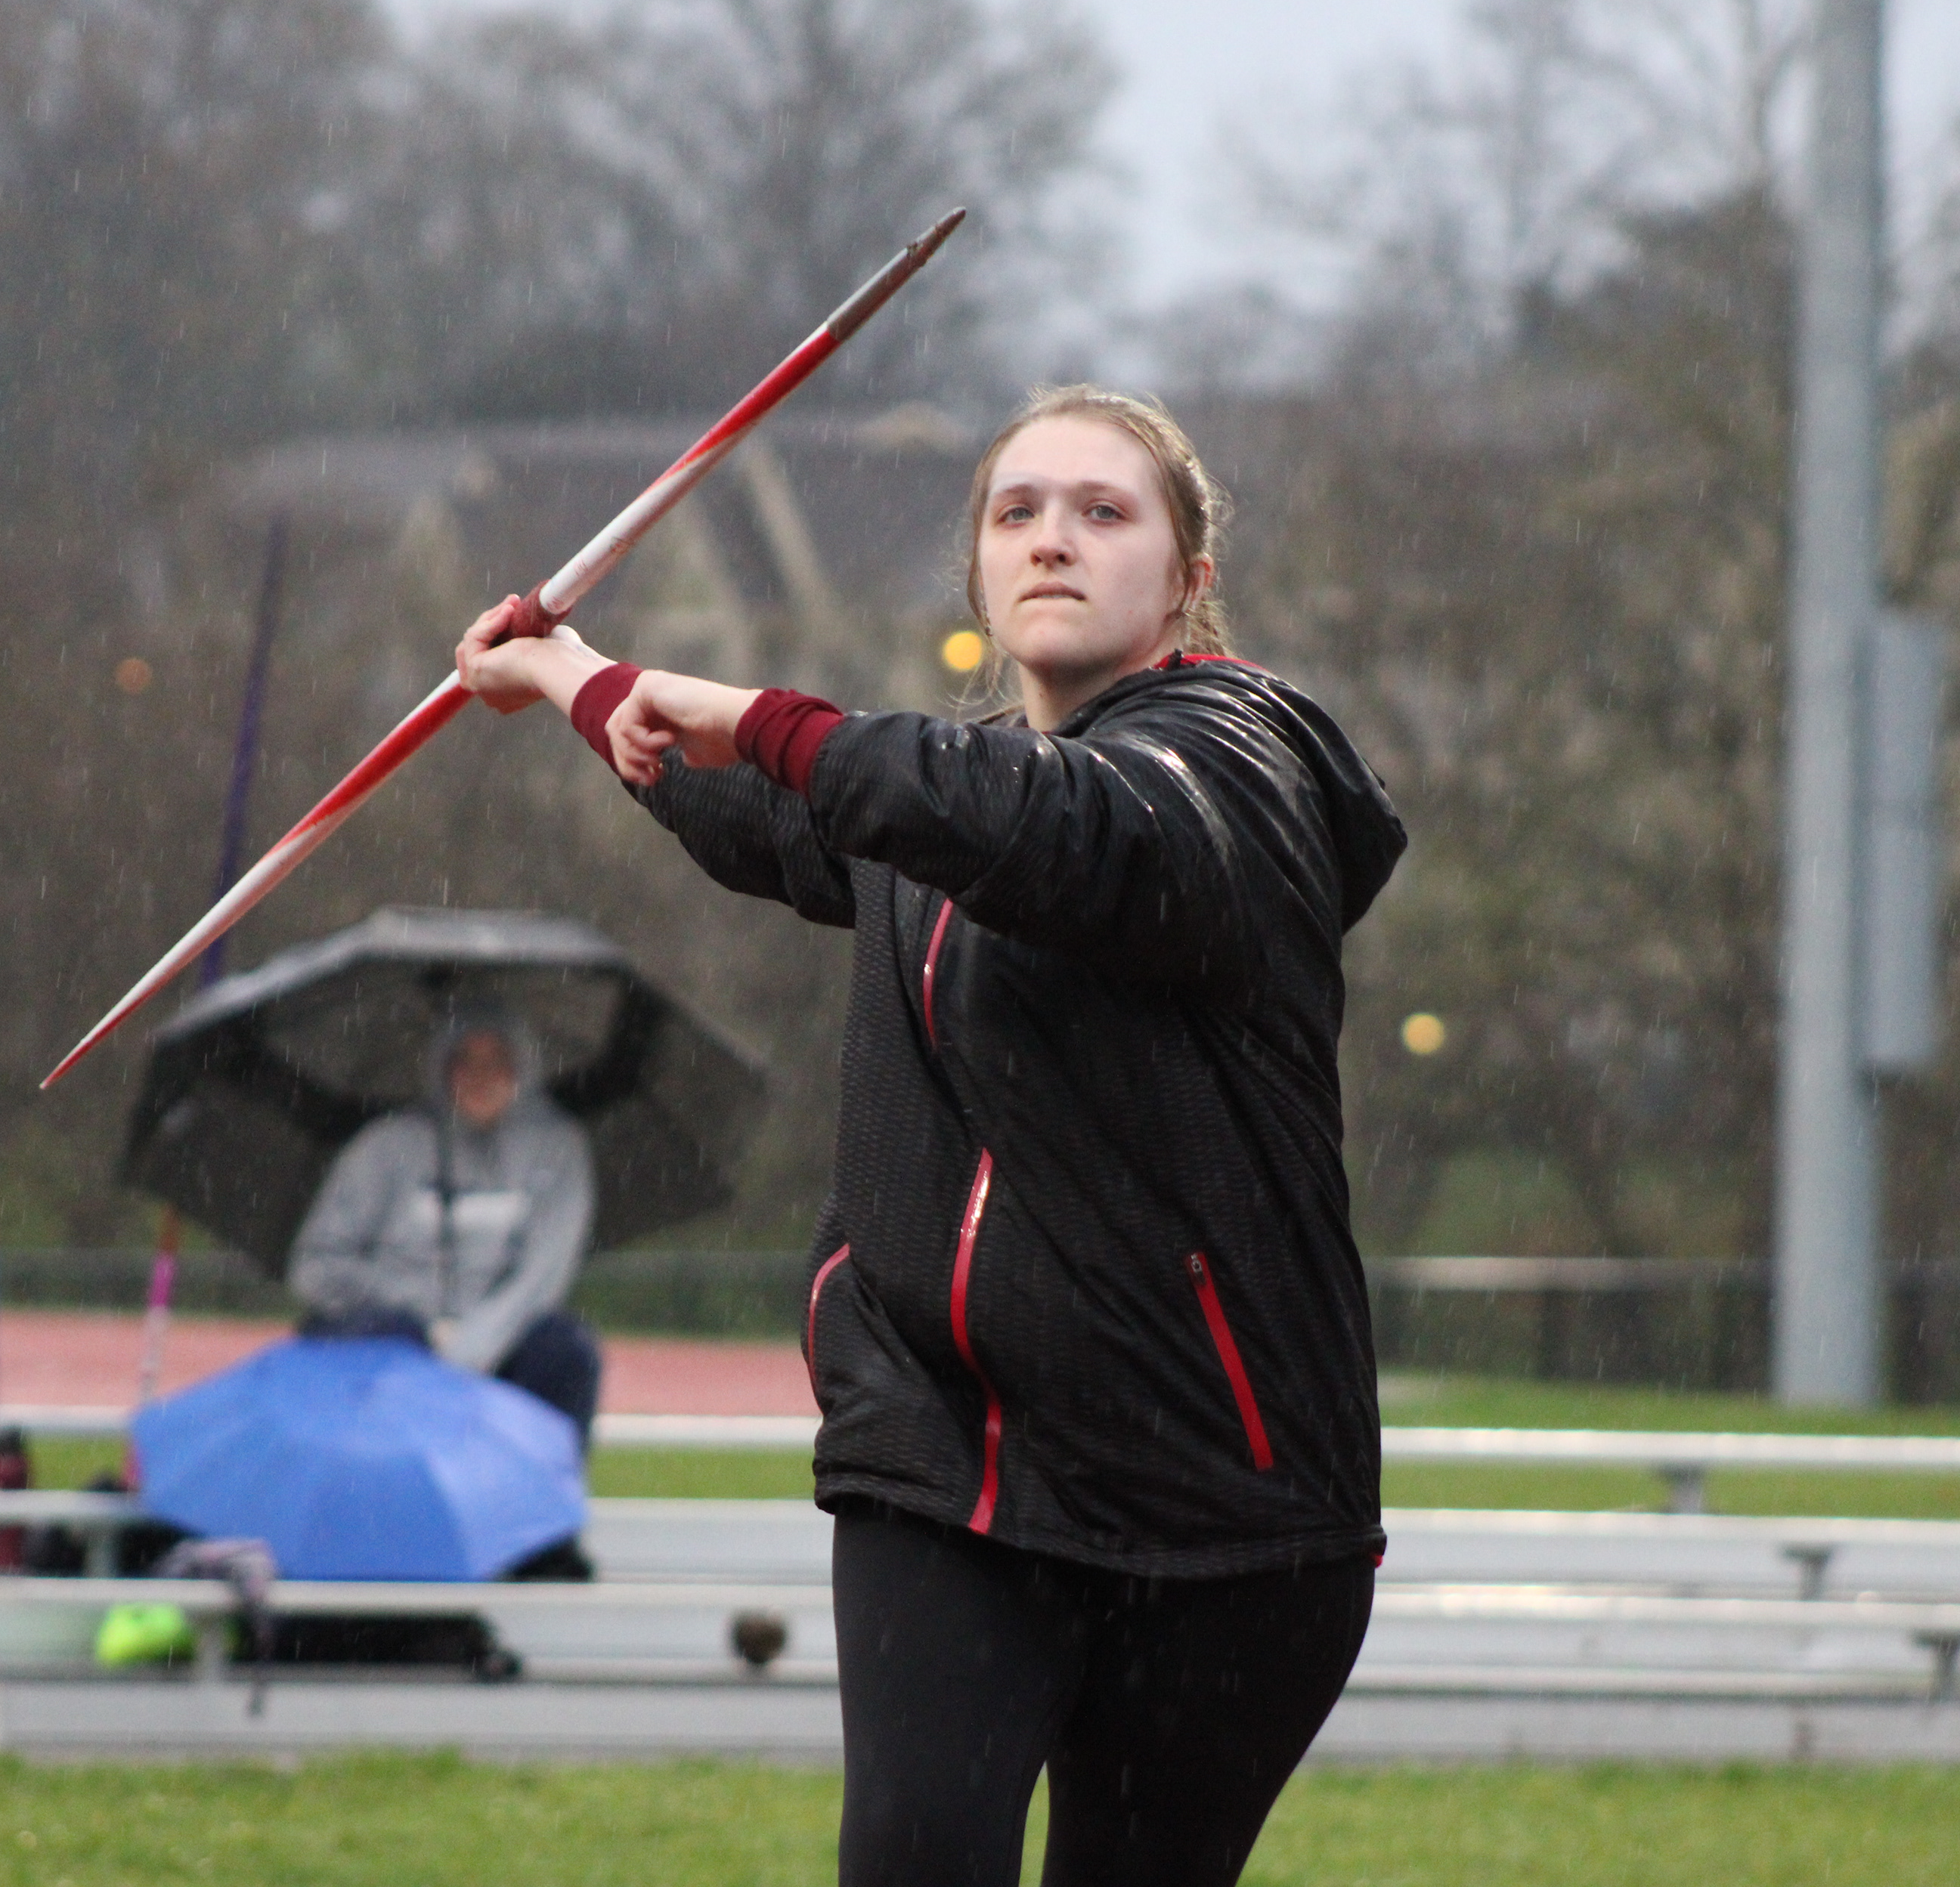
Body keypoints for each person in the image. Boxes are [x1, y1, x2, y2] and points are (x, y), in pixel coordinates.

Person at [457, 385, 1405, 1887]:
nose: (1052, 539)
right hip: (949, 1463)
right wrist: (570, 672)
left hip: (1226, 1503)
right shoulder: (943, 798)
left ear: (1187, 578)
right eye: (1017, 512)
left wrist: (759, 716)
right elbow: (775, 813)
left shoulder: (1240, 762)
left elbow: (1055, 829)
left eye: (1103, 512)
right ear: (976, 570)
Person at [286, 1000, 605, 1442]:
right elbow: (316, 1266)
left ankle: (545, 1480)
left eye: (497, 1063)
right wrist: (419, 1318)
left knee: (566, 1351)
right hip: (392, 1329)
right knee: (355, 1341)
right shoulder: (384, 1146)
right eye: (465, 1062)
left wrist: (469, 1345)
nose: (480, 1077)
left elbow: (542, 1275)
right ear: (442, 1068)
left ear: (522, 1068)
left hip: (505, 1336)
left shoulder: (559, 1149)